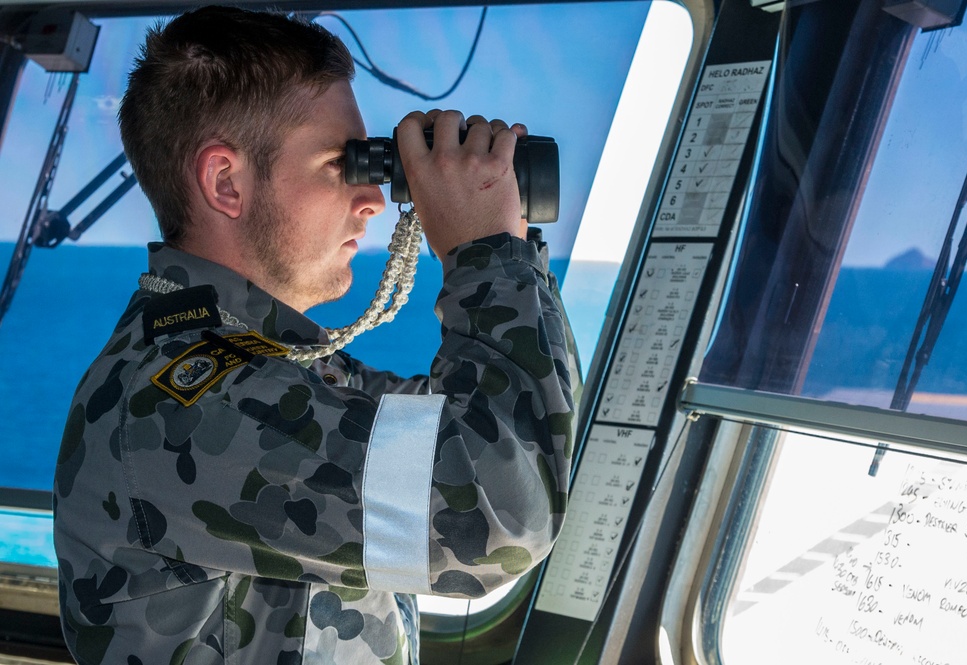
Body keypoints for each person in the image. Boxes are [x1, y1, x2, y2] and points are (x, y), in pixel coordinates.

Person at [52, 6, 580, 665]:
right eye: (342, 164)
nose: (374, 200)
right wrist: (487, 254)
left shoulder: (278, 369)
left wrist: (503, 240)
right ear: (225, 182)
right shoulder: (181, 401)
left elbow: (497, 435)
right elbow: (500, 516)